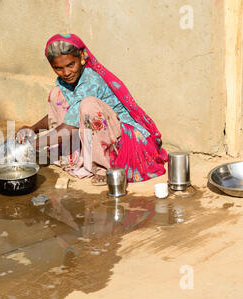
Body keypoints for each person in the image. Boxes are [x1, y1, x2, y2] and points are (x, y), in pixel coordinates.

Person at [16, 33, 168, 185]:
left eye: (71, 65)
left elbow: (69, 126)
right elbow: (68, 114)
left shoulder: (91, 81)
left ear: (82, 57)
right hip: (100, 132)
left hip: (123, 136)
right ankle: (70, 155)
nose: (66, 72)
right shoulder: (66, 81)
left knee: (88, 105)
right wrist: (33, 128)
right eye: (58, 68)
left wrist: (31, 145)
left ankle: (103, 166)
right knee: (57, 94)